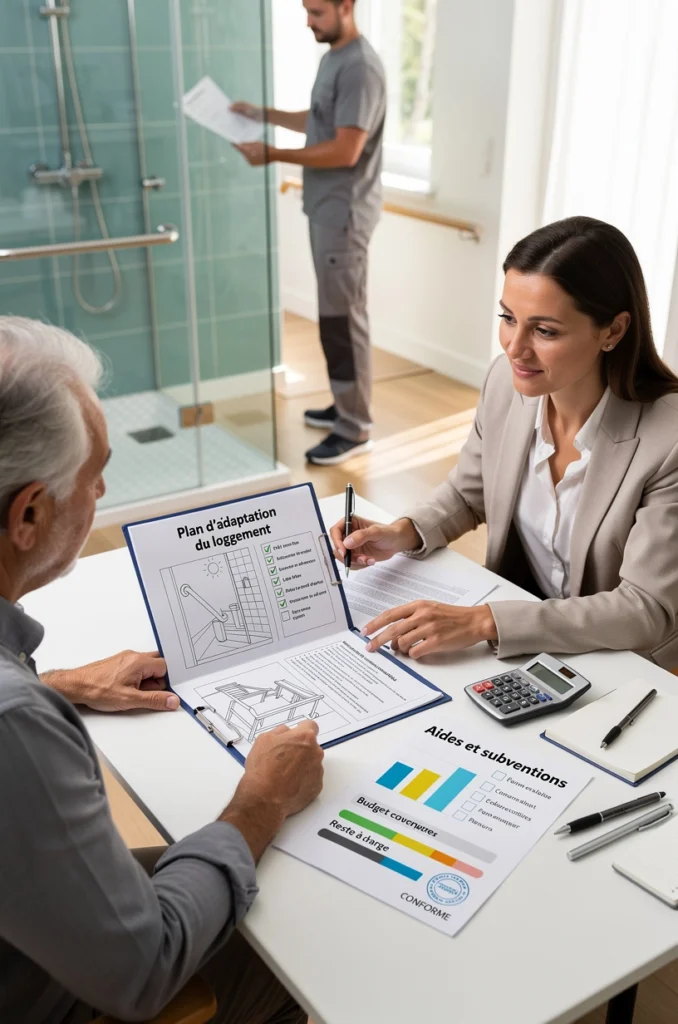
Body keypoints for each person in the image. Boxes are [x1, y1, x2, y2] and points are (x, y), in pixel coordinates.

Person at [0, 317, 324, 1023]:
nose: (103, 490)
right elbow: (143, 970)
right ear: (28, 513)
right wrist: (262, 799)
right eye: (93, 474)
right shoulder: (14, 727)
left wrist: (54, 684)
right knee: (317, 953)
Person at [331, 216, 678, 669]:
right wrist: (400, 533)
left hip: (619, 661)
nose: (515, 348)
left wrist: (483, 623)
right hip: (524, 638)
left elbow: (644, 610)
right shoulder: (505, 383)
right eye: (508, 318)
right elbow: (468, 492)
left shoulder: (667, 440)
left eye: (545, 330)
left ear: (612, 331)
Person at [232, 0, 386, 466]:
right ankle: (345, 406)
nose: (308, 21)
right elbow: (322, 120)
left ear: (346, 6)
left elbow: (344, 149)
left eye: (317, 11)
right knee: (333, 318)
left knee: (343, 321)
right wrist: (264, 114)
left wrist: (272, 155)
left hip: (344, 214)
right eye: (305, 9)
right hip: (327, 210)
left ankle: (355, 428)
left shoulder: (360, 67)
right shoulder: (333, 58)